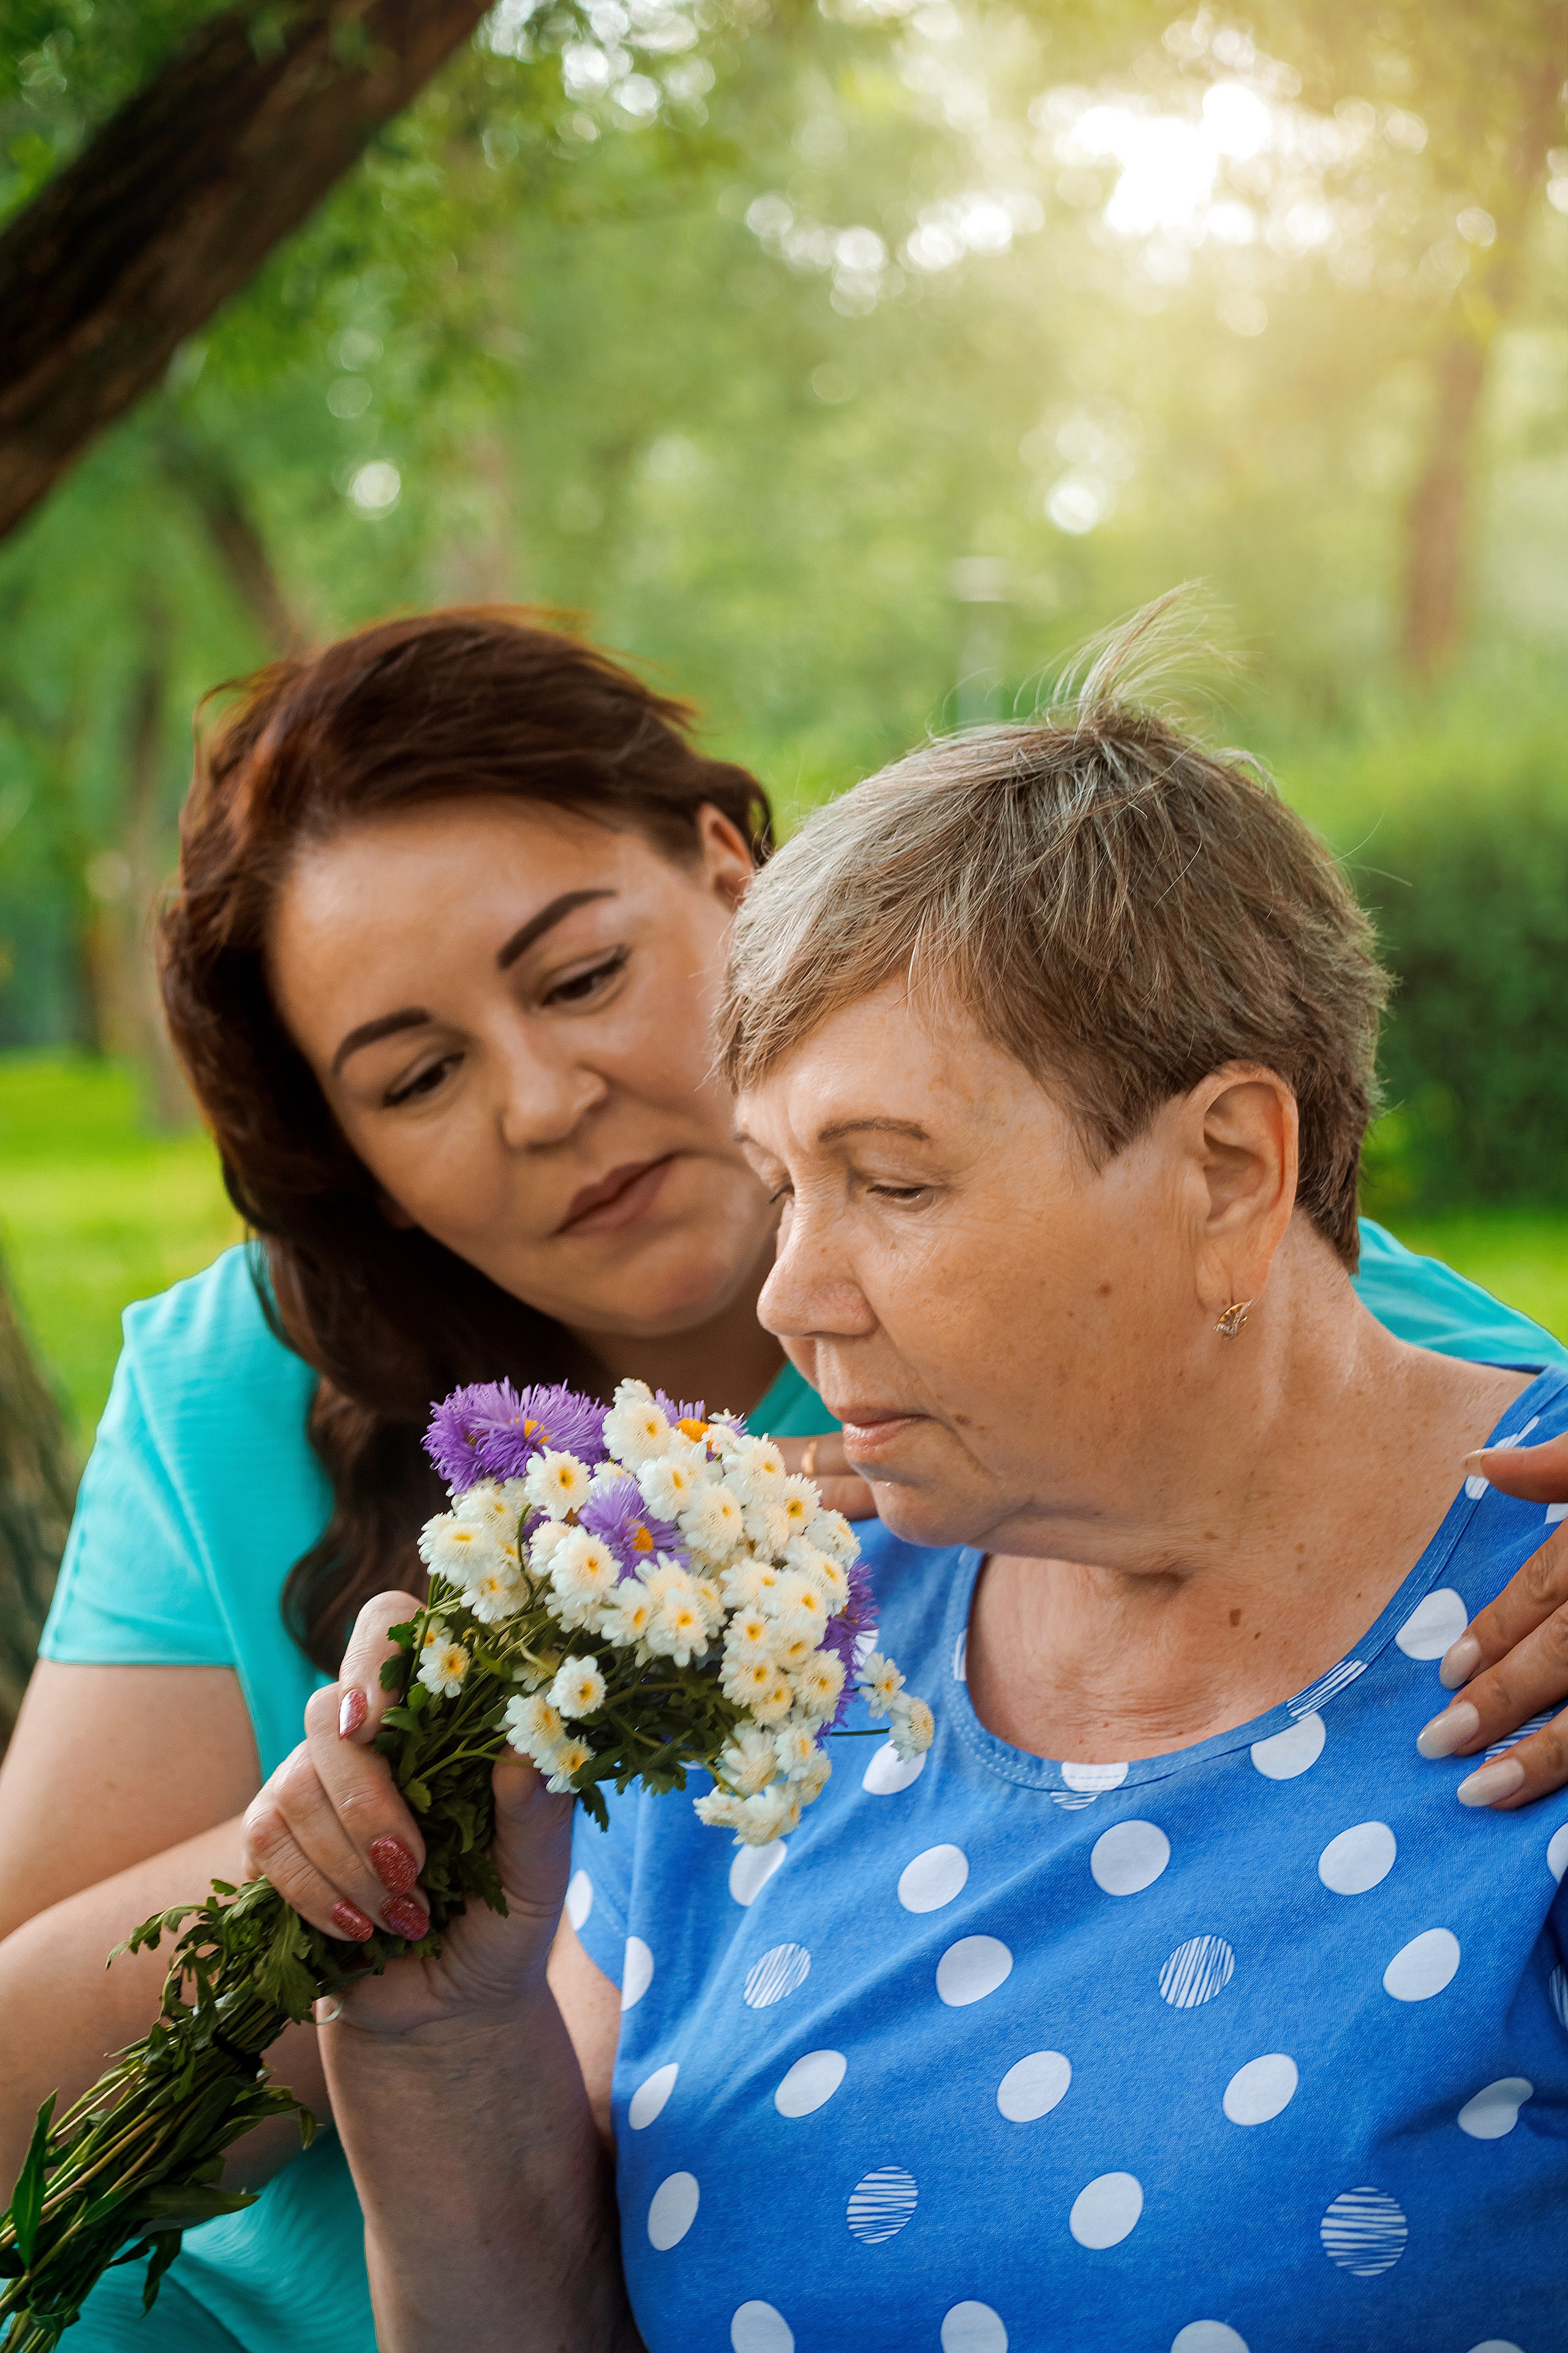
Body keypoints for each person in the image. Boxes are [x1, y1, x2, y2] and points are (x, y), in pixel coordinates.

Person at [1, 606, 1566, 2353]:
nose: (543, 1100)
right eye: (420, 1073)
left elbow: (1368, 1387)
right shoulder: (740, 1627)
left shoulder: (1375, 1472)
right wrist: (431, 1920)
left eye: (890, 1181)